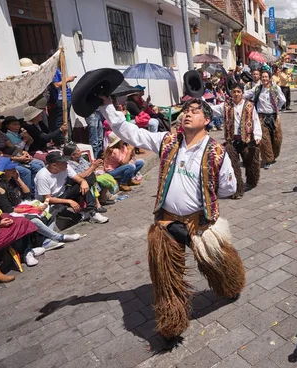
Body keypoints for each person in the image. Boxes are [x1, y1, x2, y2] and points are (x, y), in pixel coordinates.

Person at [97, 94, 244, 346]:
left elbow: (229, 188)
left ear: (207, 119)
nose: (187, 113)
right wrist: (106, 107)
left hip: (200, 224)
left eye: (195, 111)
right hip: (165, 224)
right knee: (166, 278)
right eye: (186, 110)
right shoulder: (167, 141)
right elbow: (131, 132)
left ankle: (230, 285)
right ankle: (171, 323)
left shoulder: (217, 152)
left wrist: (203, 195)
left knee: (219, 264)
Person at [0, 156, 82, 249]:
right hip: (15, 212)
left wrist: (19, 180)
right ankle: (58, 237)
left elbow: (27, 194)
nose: (14, 170)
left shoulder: (12, 181)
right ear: (3, 172)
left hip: (24, 206)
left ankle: (46, 241)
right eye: (10, 169)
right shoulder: (0, 187)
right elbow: (9, 209)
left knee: (51, 211)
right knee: (33, 219)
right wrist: (32, 209)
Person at [210, 83, 262, 199]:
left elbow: (256, 120)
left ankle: (252, 180)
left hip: (247, 139)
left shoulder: (250, 106)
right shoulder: (225, 106)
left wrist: (257, 135)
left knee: (251, 163)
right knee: (233, 166)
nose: (236, 94)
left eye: (238, 92)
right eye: (234, 92)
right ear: (231, 93)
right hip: (231, 141)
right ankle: (238, 189)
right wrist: (199, 103)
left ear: (242, 93)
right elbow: (211, 109)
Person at [34, 151, 109, 224]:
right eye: (63, 162)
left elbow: (78, 178)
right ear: (54, 165)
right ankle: (80, 216)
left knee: (87, 181)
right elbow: (47, 198)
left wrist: (83, 182)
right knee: (61, 213)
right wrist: (69, 201)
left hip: (64, 193)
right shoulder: (42, 176)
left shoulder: (66, 167)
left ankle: (93, 212)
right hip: (50, 202)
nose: (67, 163)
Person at [244, 70, 286, 169]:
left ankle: (273, 155)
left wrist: (277, 108)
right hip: (261, 117)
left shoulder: (275, 88)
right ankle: (267, 160)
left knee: (277, 139)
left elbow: (283, 100)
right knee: (265, 140)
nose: (264, 79)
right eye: (263, 77)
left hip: (274, 117)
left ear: (270, 78)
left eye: (266, 77)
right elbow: (247, 94)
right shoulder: (257, 88)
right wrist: (236, 94)